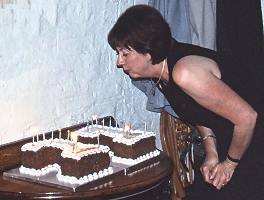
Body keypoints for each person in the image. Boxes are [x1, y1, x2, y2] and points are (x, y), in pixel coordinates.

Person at [107, 4, 263, 200]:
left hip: (253, 142)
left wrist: (230, 164)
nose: (119, 62)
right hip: (233, 142)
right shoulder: (164, 76)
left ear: (147, 51)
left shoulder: (184, 73)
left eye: (125, 54)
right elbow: (200, 113)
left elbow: (248, 117)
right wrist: (211, 152)